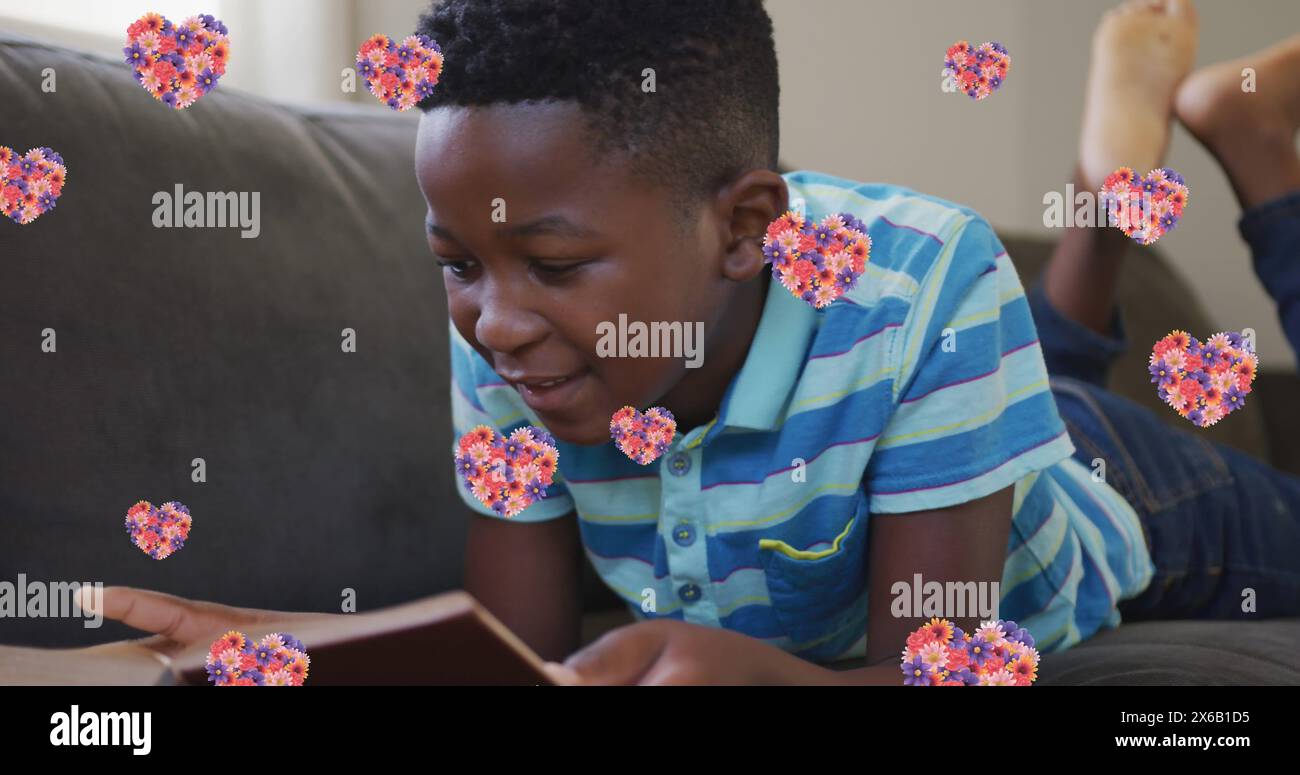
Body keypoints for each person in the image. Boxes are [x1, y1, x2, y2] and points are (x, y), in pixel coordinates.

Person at [86, 0, 1300, 685]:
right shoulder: (514, 327)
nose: (494, 321)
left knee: (1046, 400)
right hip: (923, 403)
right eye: (456, 263)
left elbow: (943, 670)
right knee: (1020, 357)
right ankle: (1110, 181)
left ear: (742, 230)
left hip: (1108, 491)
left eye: (554, 266)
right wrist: (289, 646)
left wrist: (762, 680)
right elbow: (521, 656)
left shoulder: (927, 276)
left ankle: (1249, 154)